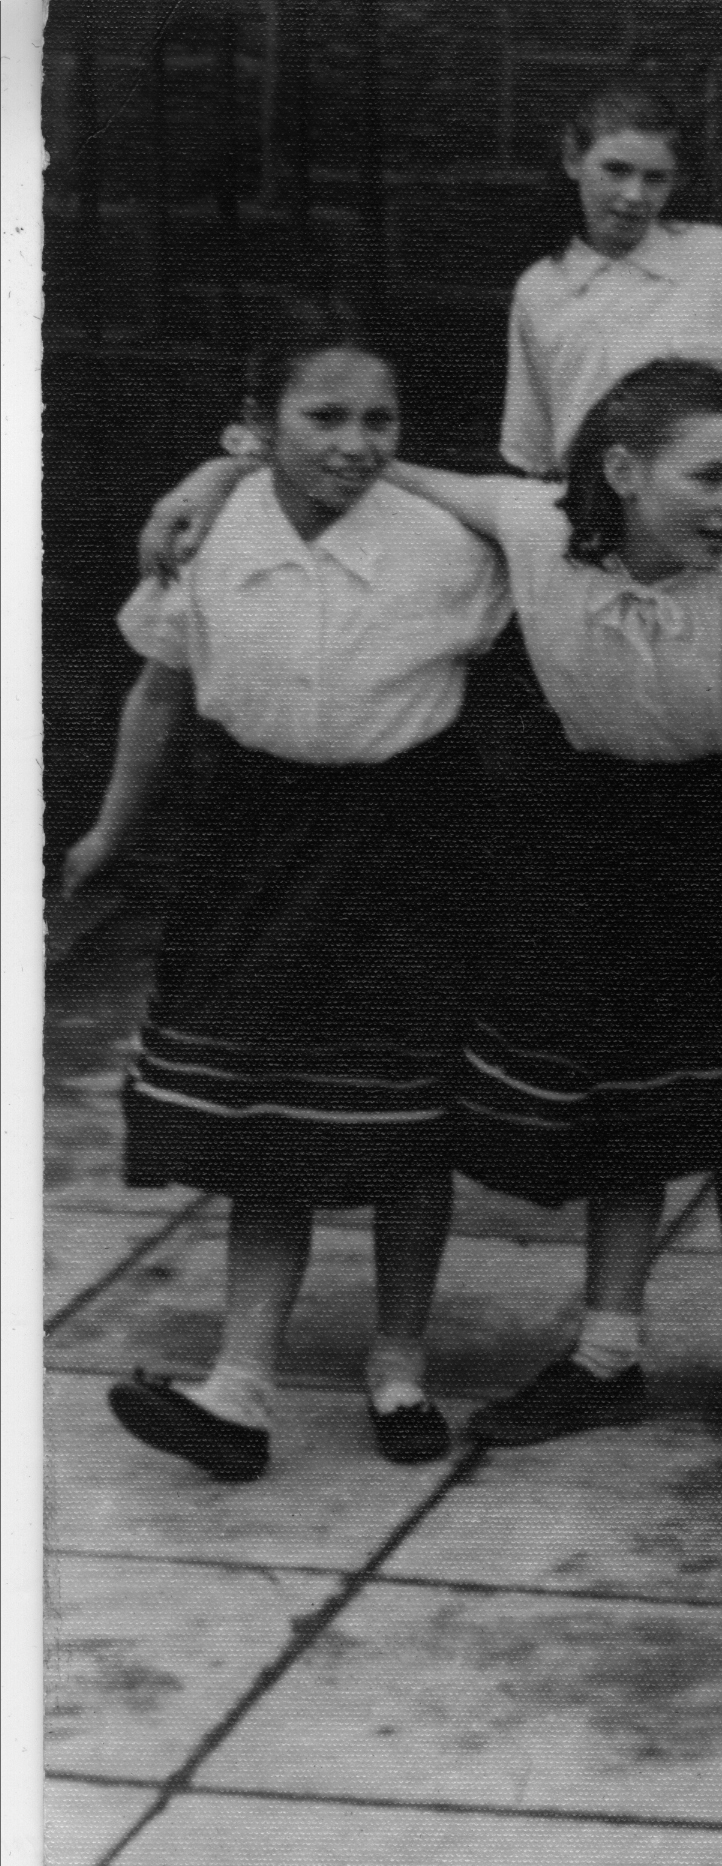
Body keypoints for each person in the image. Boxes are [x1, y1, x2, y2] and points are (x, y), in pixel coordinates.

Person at [155, 360, 722, 1459]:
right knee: (626, 1088)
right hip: (605, 825)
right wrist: (215, 471)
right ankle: (606, 1355)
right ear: (621, 471)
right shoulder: (531, 525)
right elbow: (386, 469)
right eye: (709, 477)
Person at [72, 317, 509, 1481]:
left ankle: (400, 1365)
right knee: (263, 1118)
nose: (356, 443)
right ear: (259, 426)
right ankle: (240, 1387)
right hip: (250, 844)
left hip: (404, 852)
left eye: (379, 419)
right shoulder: (207, 536)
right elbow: (160, 694)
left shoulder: (449, 547)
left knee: (406, 1122)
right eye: (325, 417)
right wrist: (110, 830)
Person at [501, 78, 722, 482]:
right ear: (573, 160)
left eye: (655, 178)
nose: (634, 195)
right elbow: (534, 448)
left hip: (707, 500)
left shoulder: (721, 256)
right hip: (592, 502)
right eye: (616, 170)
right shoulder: (540, 289)